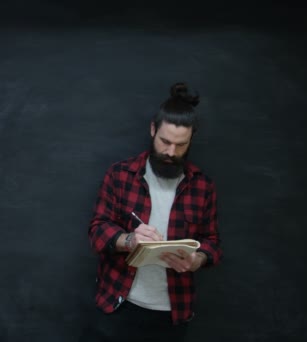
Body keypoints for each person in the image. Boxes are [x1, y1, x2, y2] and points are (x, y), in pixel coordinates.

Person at [80, 82, 223, 341]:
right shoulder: (120, 174)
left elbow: (212, 242)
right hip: (118, 304)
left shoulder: (203, 186)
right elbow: (97, 230)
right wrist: (130, 240)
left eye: (181, 145)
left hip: (172, 313)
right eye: (165, 142)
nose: (170, 152)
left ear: (191, 139)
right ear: (152, 129)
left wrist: (197, 260)